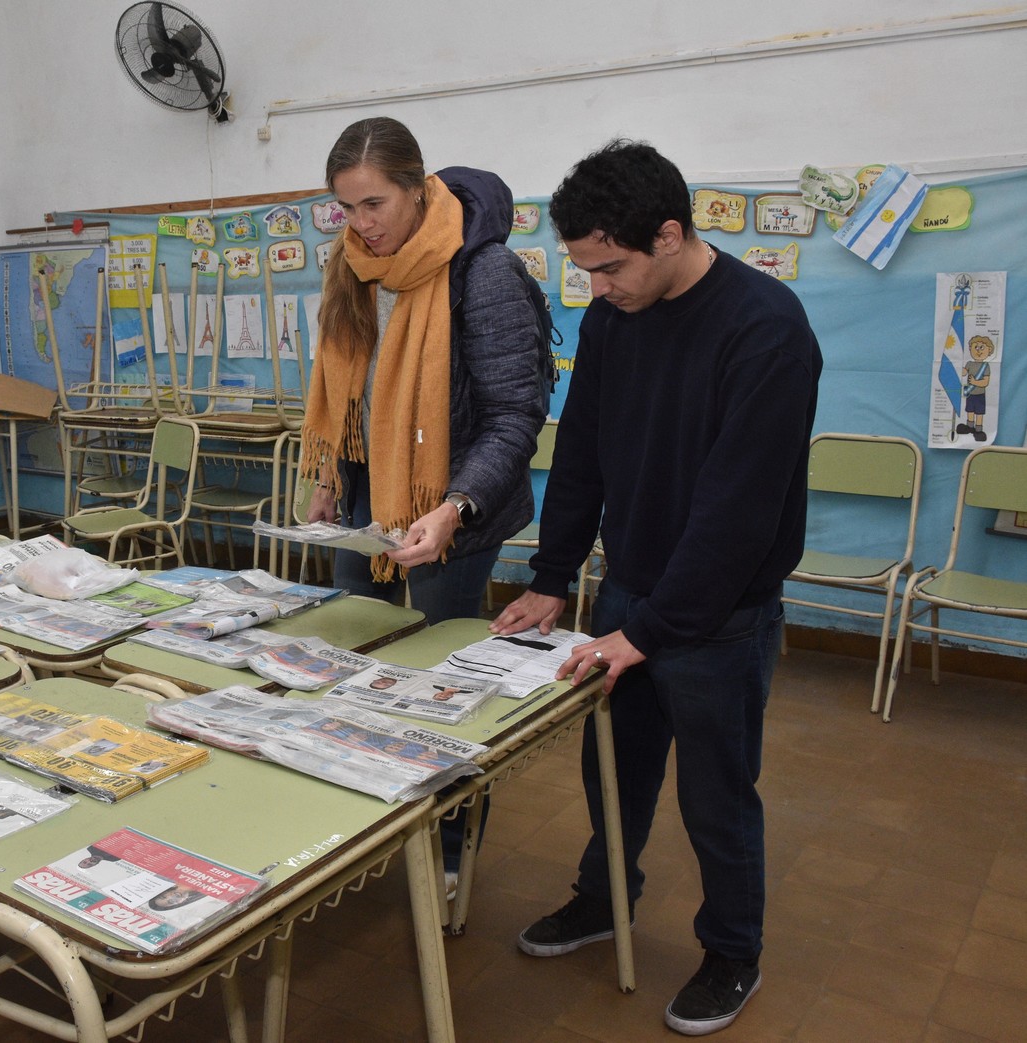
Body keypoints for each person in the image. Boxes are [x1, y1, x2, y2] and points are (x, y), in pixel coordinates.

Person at [491, 139, 821, 1036]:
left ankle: (731, 952)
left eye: (609, 266)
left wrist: (652, 630)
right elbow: (585, 454)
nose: (596, 286)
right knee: (615, 772)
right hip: (630, 592)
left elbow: (738, 511)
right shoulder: (611, 321)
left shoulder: (766, 329)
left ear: (669, 235)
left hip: (719, 614)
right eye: (583, 268)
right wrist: (553, 578)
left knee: (716, 794)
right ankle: (603, 900)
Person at [301, 116, 548, 625]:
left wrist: (453, 508)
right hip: (368, 487)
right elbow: (352, 396)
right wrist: (330, 482)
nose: (362, 224)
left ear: (416, 189)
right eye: (346, 207)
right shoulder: (351, 266)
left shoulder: (484, 270)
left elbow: (514, 417)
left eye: (374, 204)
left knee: (437, 641)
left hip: (453, 497)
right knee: (354, 626)